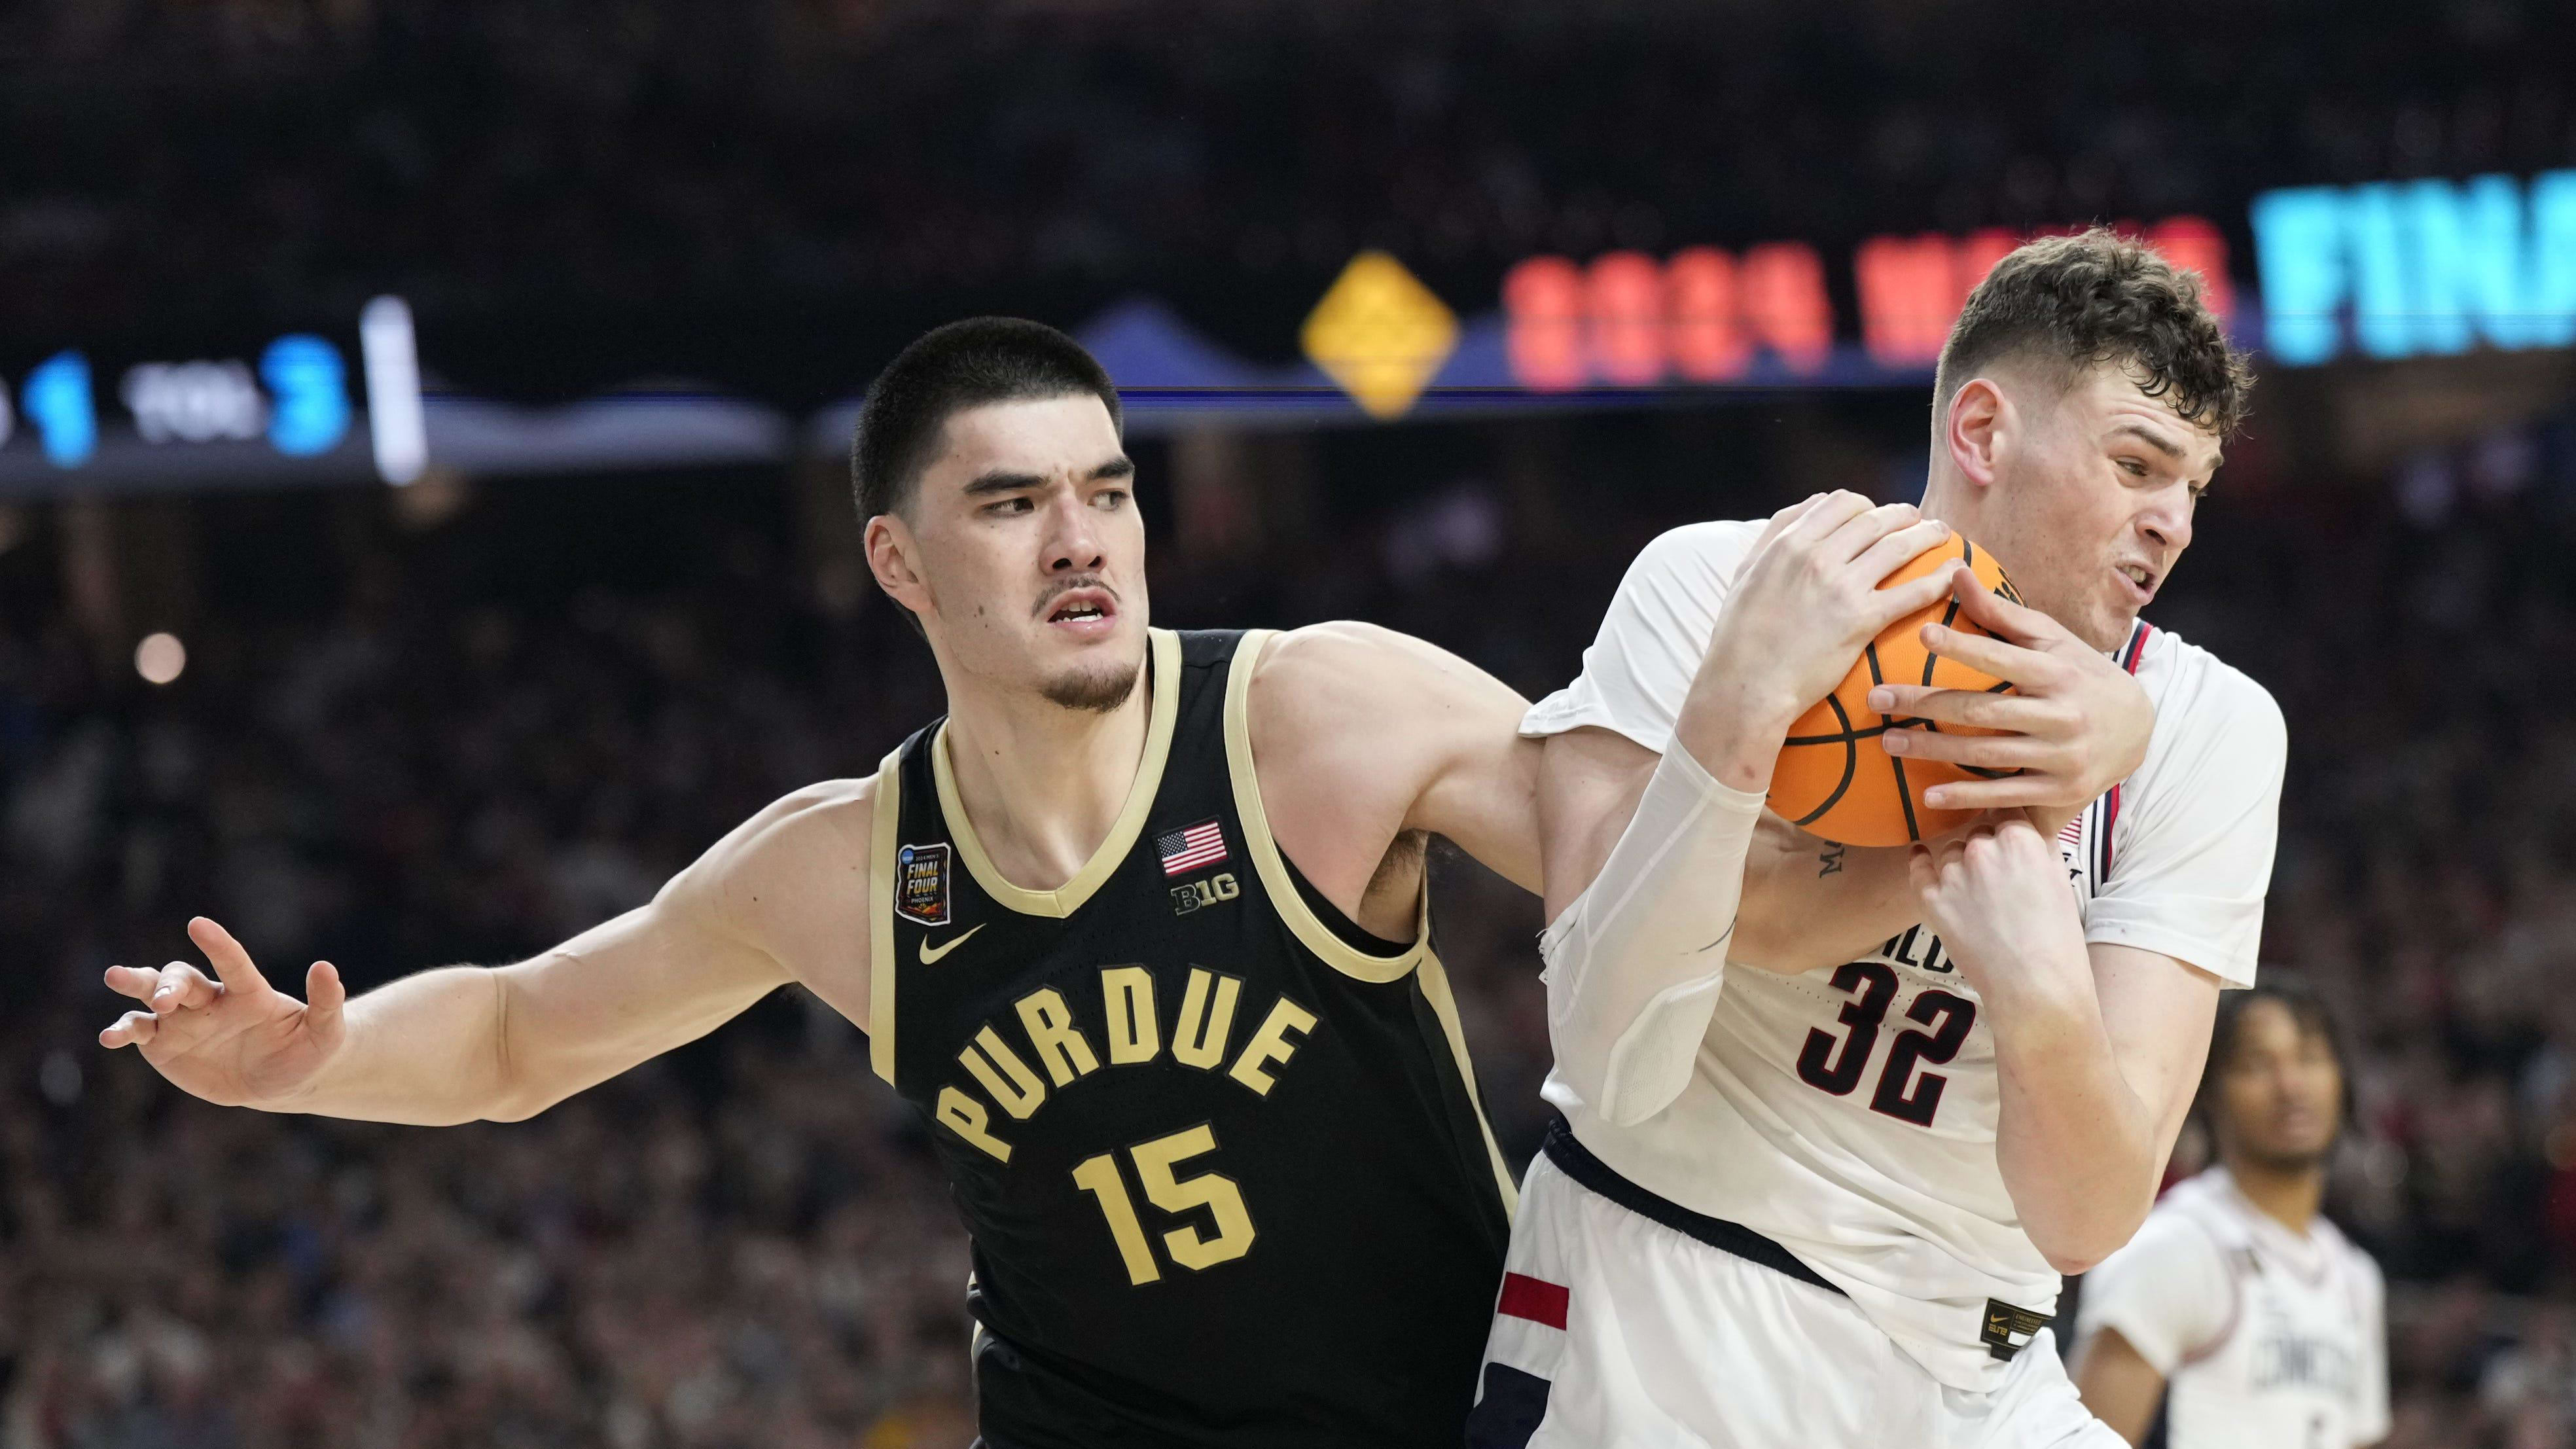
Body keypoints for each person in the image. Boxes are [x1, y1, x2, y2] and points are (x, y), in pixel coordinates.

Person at [97, 317, 1541, 1449]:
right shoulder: (843, 865)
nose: (1079, 537)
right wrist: (311, 1061)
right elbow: (516, 1035)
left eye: (1107, 489)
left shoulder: (1315, 718)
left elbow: (1646, 861)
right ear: (896, 561)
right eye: (1013, 502)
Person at [1470, 229, 2283, 1448]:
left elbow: (2086, 1215)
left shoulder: (2209, 727)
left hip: (1983, 1362)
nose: (2169, 521)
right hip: (1667, 1293)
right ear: (1982, 433)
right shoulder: (1712, 585)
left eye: (2191, 488)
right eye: (2135, 462)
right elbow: (1611, 1060)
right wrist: (1739, 720)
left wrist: (2037, 972)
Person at [2071, 979, 2389, 1449]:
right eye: (2257, 1064)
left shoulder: (2357, 1277)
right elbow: (2081, 1438)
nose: (2291, 1085)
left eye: (2310, 1058)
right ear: (2207, 1091)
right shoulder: (2173, 1248)